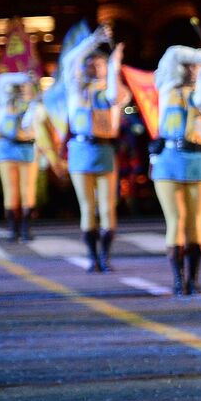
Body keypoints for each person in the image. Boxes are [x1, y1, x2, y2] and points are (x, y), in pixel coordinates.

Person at [151, 46, 201, 296]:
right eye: (189, 65)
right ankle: (178, 279)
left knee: (195, 223)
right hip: (169, 158)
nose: (192, 69)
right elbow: (172, 54)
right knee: (176, 220)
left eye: (196, 66)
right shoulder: (167, 86)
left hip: (198, 159)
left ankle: (193, 279)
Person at [63, 27, 130, 271]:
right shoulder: (77, 89)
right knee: (87, 207)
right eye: (90, 63)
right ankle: (93, 257)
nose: (94, 67)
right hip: (81, 149)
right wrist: (93, 41)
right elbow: (70, 60)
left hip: (104, 150)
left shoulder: (115, 90)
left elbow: (114, 95)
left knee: (107, 206)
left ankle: (105, 257)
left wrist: (115, 65)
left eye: (99, 64)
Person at [0, 72, 41, 242]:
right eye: (16, 87)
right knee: (10, 190)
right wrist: (25, 77)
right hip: (6, 147)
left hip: (26, 147)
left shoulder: (33, 105)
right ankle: (13, 230)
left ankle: (26, 229)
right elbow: (2, 79)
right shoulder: (3, 102)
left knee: (27, 189)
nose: (19, 90)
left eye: (22, 87)